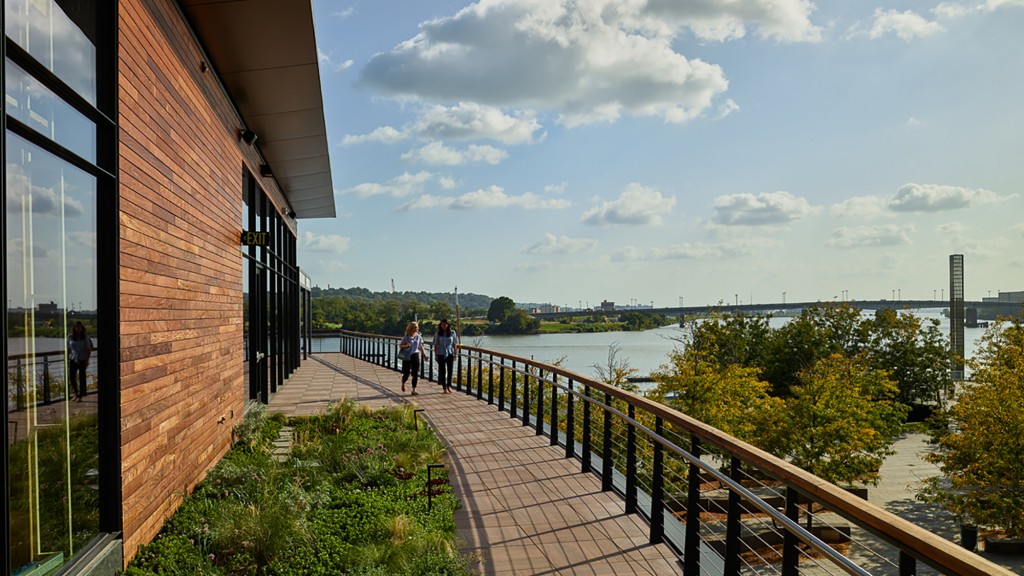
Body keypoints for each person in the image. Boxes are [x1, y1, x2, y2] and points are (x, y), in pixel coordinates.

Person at [67, 321, 93, 401]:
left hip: (82, 358)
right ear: (74, 328)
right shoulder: (70, 337)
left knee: (82, 377)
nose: (78, 329)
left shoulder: (85, 337)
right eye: (77, 327)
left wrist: (87, 360)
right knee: (72, 377)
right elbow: (68, 349)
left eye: (80, 327)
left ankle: (80, 396)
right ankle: (76, 393)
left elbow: (88, 349)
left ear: (82, 328)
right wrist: (68, 359)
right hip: (73, 358)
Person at [399, 321, 426, 395]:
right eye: (414, 327)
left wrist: (424, 354)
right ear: (411, 328)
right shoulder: (406, 336)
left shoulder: (419, 336)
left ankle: (413, 390)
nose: (416, 329)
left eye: (417, 327)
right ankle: (403, 383)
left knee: (415, 373)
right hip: (407, 356)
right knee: (406, 373)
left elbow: (421, 346)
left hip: (415, 355)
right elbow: (400, 345)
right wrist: (406, 345)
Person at [432, 319, 459, 394]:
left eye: (445, 324)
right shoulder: (438, 333)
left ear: (448, 325)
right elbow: (435, 344)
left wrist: (455, 353)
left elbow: (455, 344)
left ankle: (449, 386)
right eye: (442, 324)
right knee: (442, 371)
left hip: (450, 353)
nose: (443, 326)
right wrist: (436, 354)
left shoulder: (452, 332)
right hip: (441, 353)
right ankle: (444, 387)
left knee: (450, 370)